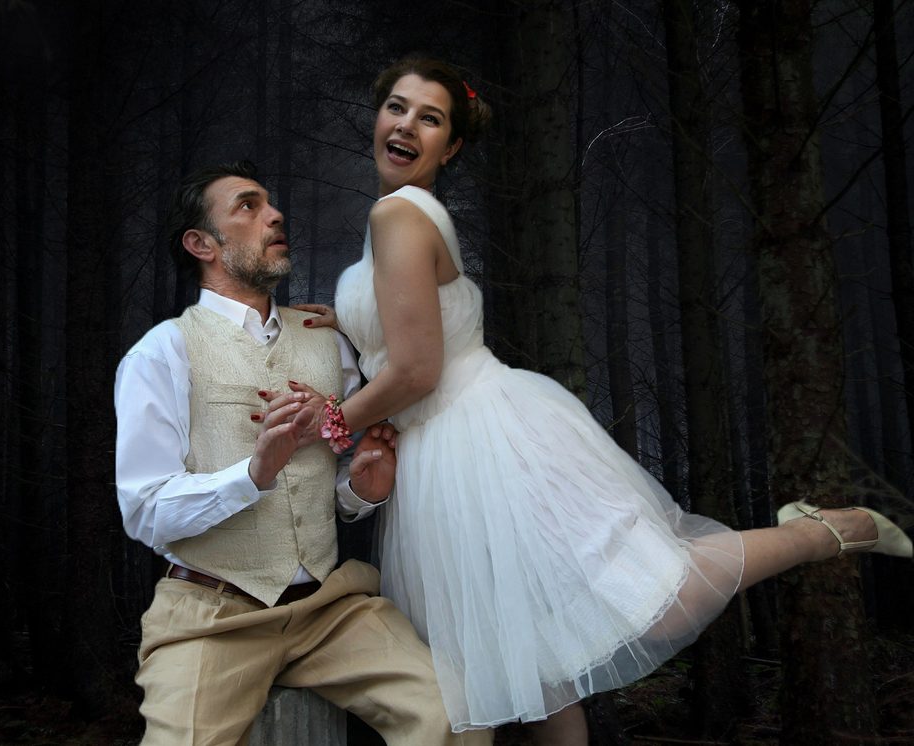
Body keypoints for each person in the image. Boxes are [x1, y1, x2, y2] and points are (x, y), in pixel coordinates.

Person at [293, 55, 913, 742]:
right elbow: (412, 324)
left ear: (452, 146)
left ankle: (823, 531)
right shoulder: (397, 218)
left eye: (430, 118)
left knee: (658, 596)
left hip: (480, 438)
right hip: (439, 457)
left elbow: (416, 369)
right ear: (378, 117)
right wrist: (350, 317)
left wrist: (327, 424)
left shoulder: (397, 215)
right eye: (397, 107)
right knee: (535, 661)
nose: (407, 125)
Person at [114, 160, 492, 745]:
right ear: (201, 245)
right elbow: (144, 512)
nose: (274, 214)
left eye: (270, 203)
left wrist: (359, 490)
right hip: (212, 616)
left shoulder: (327, 341)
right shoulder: (161, 353)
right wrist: (253, 473)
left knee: (455, 714)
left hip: (327, 609)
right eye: (248, 206)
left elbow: (326, 485)